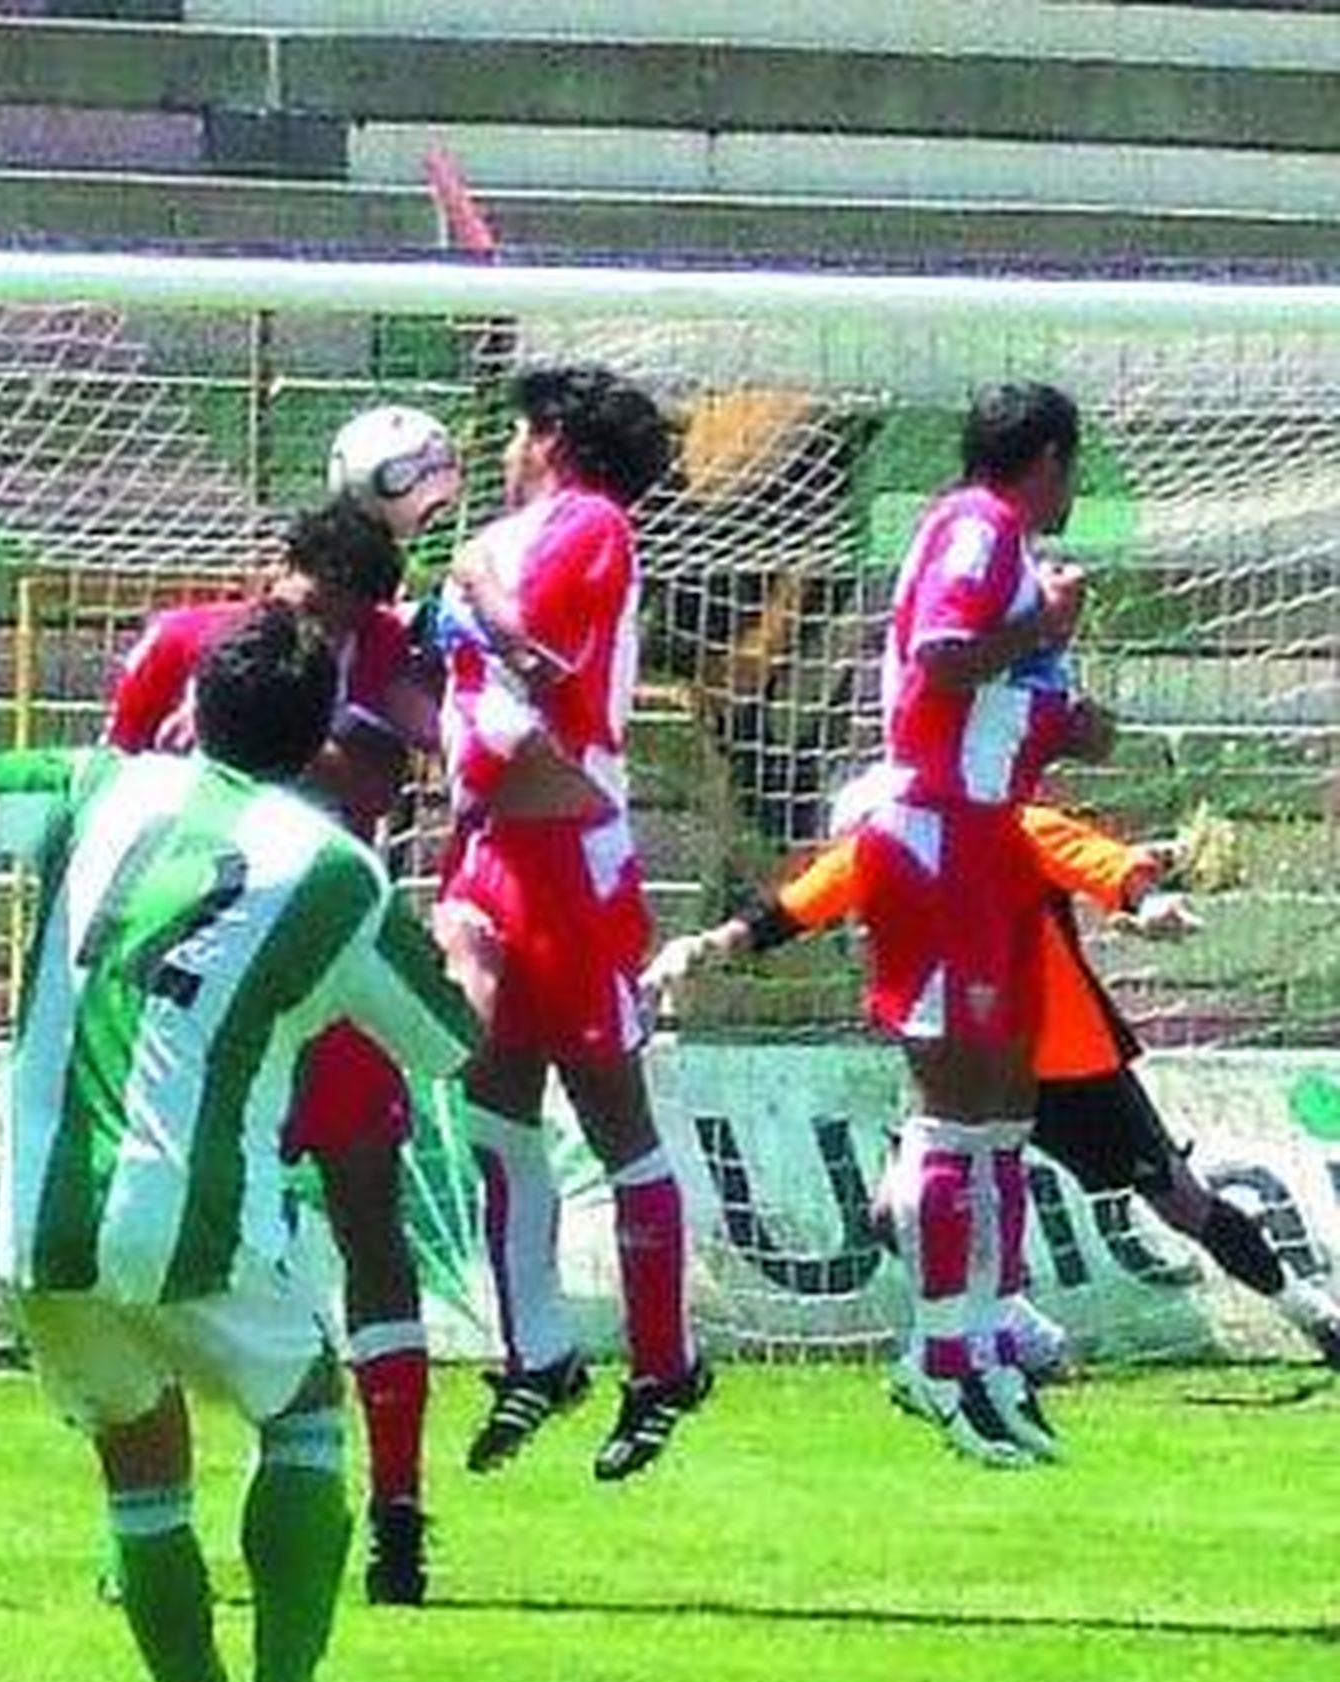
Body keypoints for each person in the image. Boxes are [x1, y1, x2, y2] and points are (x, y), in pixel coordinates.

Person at [0, 606, 483, 1682]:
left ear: (192, 712)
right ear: (319, 743)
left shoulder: (99, 785)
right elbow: (449, 1044)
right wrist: (469, 950)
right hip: (191, 1214)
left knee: (141, 1464)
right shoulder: (337, 873)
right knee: (304, 1415)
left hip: (36, 1219)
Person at [646, 801, 1340, 1445]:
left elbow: (1105, 866)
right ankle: (1021, 1335)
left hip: (1067, 1061)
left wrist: (1149, 903)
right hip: (961, 1056)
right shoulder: (882, 845)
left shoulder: (1020, 825)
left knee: (1182, 1201)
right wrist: (702, 947)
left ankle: (1314, 1314)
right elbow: (786, 913)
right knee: (894, 1213)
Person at [106, 502, 442, 1605]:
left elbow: (378, 786)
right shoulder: (181, 644)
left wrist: (276, 728)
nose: (326, 629)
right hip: (202, 989)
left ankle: (398, 1510)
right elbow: (113, 796)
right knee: (156, 1248)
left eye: (346, 617)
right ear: (274, 570)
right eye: (312, 605)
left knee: (370, 1218)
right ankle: (150, 1524)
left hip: (323, 969)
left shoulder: (387, 658)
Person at [434, 363, 710, 1482]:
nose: (504, 454)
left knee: (611, 1113)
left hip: (567, 860)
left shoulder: (590, 525)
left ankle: (665, 1364)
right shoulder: (511, 535)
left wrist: (469, 582)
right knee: (496, 1109)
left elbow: (537, 656)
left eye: (515, 434)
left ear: (550, 438)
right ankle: (538, 1354)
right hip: (491, 844)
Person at [846, 381, 1115, 1466]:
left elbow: (986, 701)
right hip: (937, 841)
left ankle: (992, 1342)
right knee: (956, 1113)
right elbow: (940, 656)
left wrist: (1067, 721)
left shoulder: (1003, 542)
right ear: (1047, 459)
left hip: (986, 839)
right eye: (1072, 465)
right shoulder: (977, 527)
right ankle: (939, 1355)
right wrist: (1040, 623)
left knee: (1003, 1108)